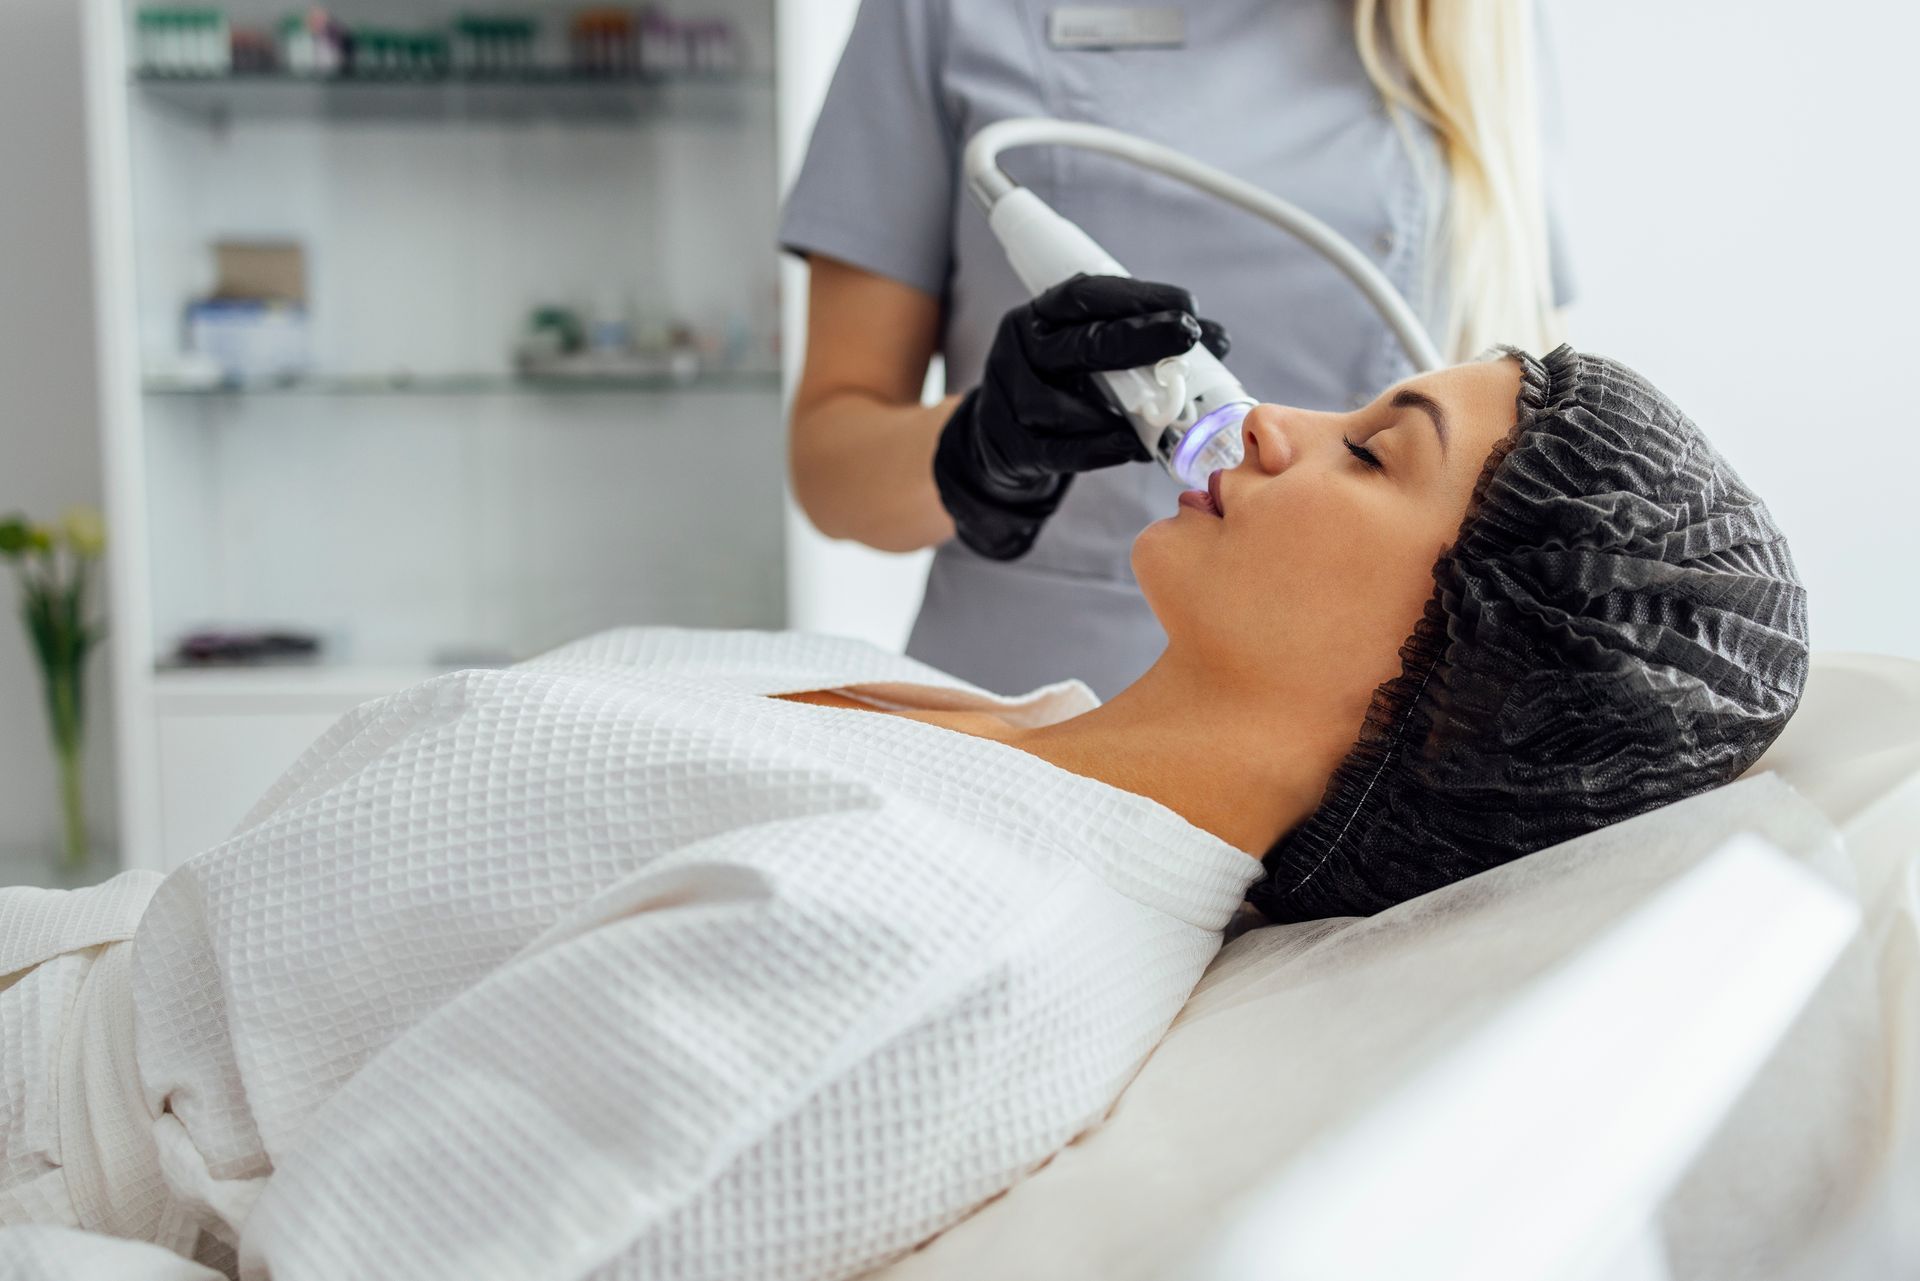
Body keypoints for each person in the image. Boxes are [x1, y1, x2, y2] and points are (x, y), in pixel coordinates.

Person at [0, 346, 1805, 1281]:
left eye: (1370, 450)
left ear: (1468, 673)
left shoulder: (943, 948)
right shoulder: (995, 745)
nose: (1267, 418)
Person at [783, 0, 1579, 698]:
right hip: (1025, 701)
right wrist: (983, 443)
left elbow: (1535, 466)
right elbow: (831, 467)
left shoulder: (1480, 27)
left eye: (1370, 451)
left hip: (1350, 756)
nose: (1266, 433)